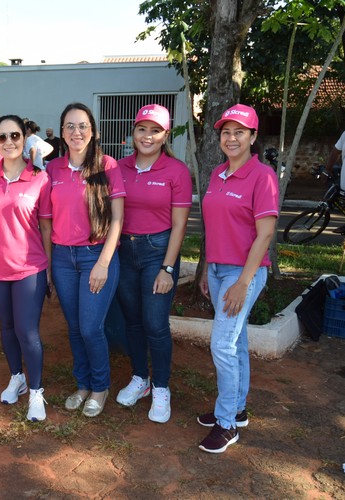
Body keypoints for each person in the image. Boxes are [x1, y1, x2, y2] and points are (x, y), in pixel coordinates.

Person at [197, 104, 278, 453]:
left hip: (243, 272)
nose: (231, 138)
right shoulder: (218, 174)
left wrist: (243, 282)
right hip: (216, 269)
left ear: (253, 137)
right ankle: (237, 409)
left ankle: (227, 423)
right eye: (226, 132)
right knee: (237, 340)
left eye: (239, 132)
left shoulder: (263, 177)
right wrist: (205, 268)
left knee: (222, 345)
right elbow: (213, 226)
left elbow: (264, 235)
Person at [0, 115, 52, 421]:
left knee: (26, 330)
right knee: (6, 327)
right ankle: (17, 377)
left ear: (25, 137)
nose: (9, 142)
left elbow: (46, 227)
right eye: (2, 137)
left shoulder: (40, 178)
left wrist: (48, 268)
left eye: (15, 136)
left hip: (29, 267)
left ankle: (36, 391)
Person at [114, 104, 191, 423]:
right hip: (124, 250)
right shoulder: (118, 167)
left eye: (155, 130)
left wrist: (168, 268)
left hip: (157, 251)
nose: (147, 136)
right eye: (142, 129)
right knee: (132, 321)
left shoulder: (176, 171)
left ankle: (161, 386)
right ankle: (139, 378)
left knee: (155, 324)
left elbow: (180, 225)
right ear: (133, 132)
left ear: (165, 135)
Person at [47, 102, 125, 418]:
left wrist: (103, 263)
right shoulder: (52, 168)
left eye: (82, 126)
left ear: (92, 131)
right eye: (70, 126)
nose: (76, 132)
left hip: (96, 255)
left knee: (91, 328)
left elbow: (117, 220)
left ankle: (100, 386)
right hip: (63, 258)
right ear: (62, 133)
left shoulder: (108, 166)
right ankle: (82, 384)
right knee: (75, 327)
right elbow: (45, 219)